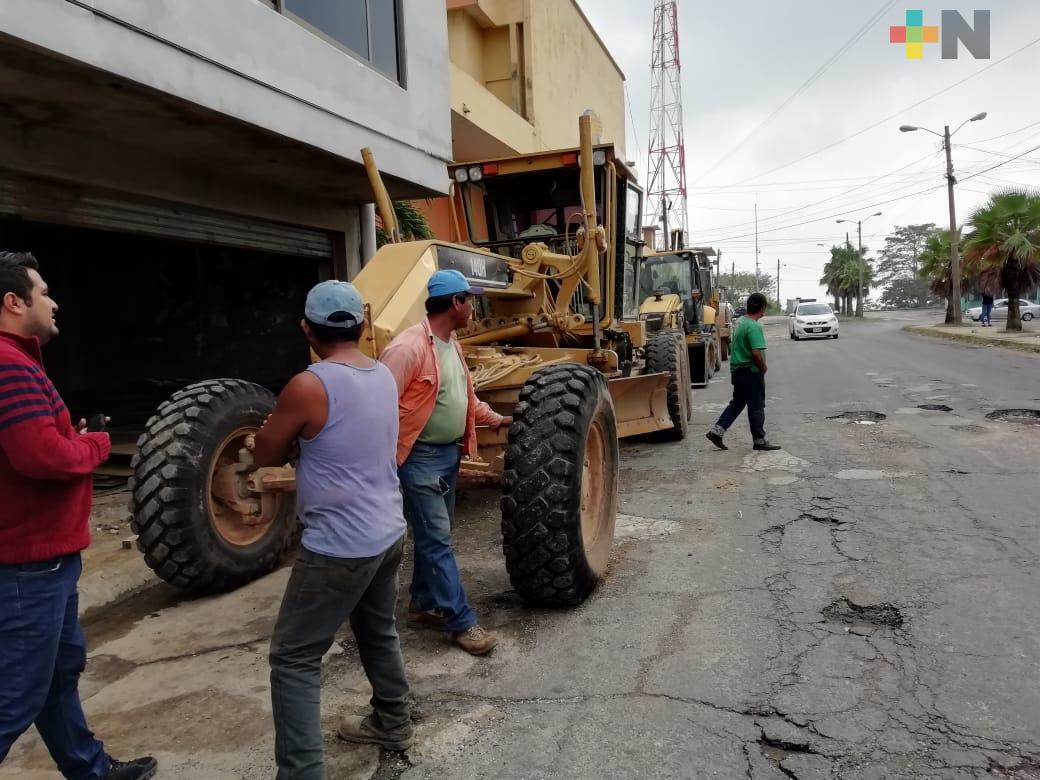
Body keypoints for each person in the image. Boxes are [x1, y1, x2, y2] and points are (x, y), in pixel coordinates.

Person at [0, 252, 157, 780]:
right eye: (44, 292)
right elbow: (41, 456)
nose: (54, 302)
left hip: (46, 558)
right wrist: (96, 444)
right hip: (28, 565)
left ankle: (90, 771)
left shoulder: (19, 361)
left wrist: (73, 437)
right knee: (15, 695)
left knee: (56, 676)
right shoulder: (9, 365)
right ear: (13, 302)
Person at [255, 281, 412, 778]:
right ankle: (393, 720)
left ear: (307, 330)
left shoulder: (308, 385)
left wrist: (284, 436)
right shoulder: (382, 374)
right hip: (387, 530)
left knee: (294, 658)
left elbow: (265, 453)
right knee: (377, 630)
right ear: (363, 326)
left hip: (339, 547)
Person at [381, 269, 511, 656]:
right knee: (437, 539)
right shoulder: (407, 348)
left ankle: (422, 603)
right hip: (418, 459)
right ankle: (461, 621)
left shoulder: (451, 344)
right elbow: (378, 405)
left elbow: (464, 397)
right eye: (470, 300)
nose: (473, 307)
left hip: (448, 455)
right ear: (456, 302)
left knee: (436, 535)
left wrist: (496, 419)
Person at [706, 292, 781, 452]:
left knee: (738, 402)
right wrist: (763, 367)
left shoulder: (741, 322)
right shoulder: (754, 326)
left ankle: (717, 431)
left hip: (738, 371)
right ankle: (759, 439)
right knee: (757, 405)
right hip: (750, 372)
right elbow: (756, 352)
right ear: (762, 308)